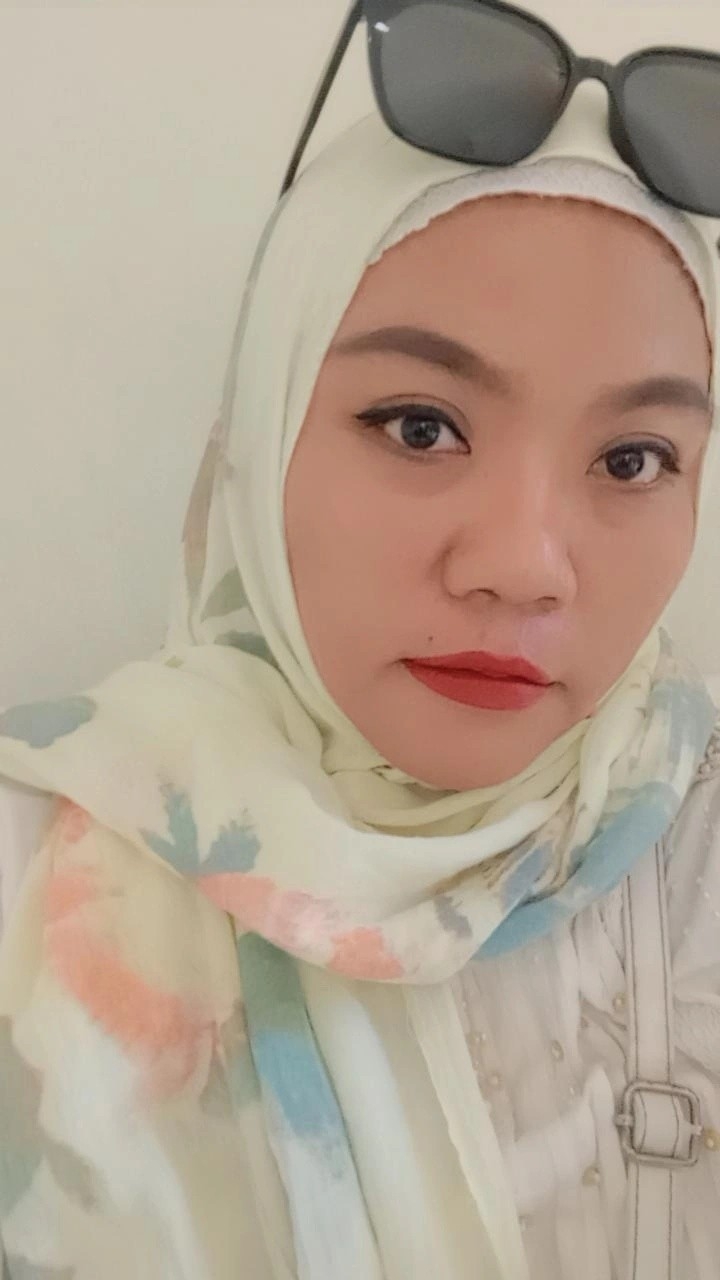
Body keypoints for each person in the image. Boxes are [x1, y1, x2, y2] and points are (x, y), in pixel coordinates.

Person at [0, 11, 719, 1280]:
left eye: (631, 458)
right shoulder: (33, 864)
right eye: (420, 425)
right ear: (263, 426)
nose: (523, 566)